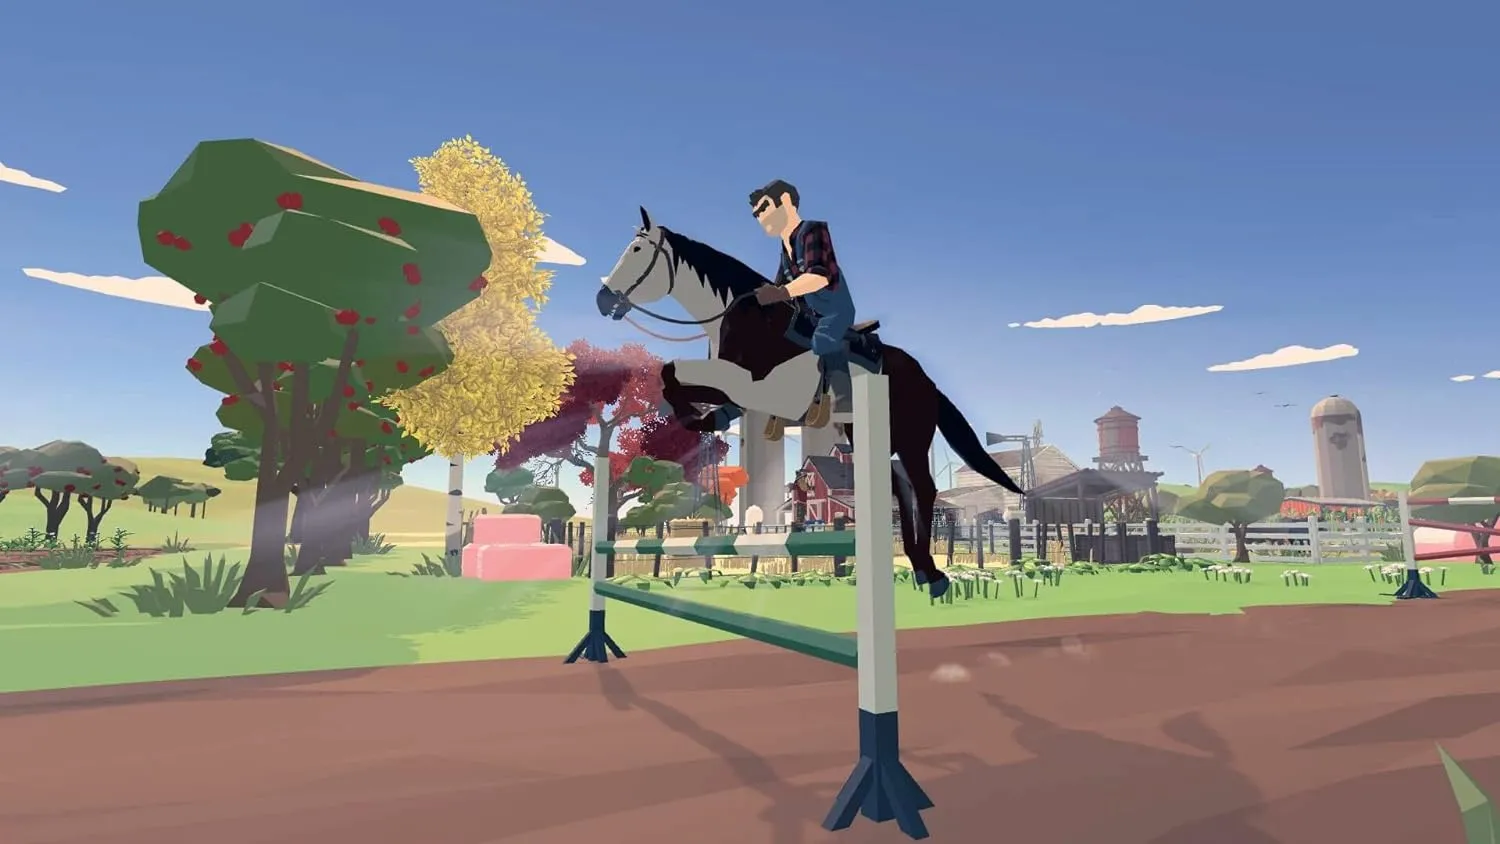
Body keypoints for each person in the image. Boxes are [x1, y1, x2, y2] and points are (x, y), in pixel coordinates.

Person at [748, 179, 866, 431]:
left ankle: (845, 400)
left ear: (786, 201)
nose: (760, 217)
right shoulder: (785, 248)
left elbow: (819, 276)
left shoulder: (813, 231)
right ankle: (790, 404)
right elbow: (780, 283)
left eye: (764, 208)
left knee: (823, 340)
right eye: (756, 214)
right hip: (808, 313)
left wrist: (781, 292)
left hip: (834, 309)